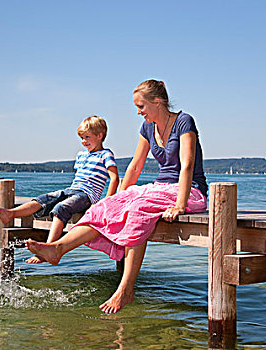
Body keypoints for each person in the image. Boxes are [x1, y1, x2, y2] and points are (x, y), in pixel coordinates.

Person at [26, 79, 208, 314]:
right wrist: (116, 200)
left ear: (158, 102)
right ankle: (57, 248)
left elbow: (187, 164)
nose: (138, 112)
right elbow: (134, 167)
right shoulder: (147, 129)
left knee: (139, 209)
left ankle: (126, 289)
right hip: (159, 188)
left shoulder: (184, 121)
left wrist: (180, 205)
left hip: (189, 190)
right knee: (104, 207)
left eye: (141, 106)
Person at [0, 115, 120, 263]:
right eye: (81, 138)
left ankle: (48, 248)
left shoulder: (105, 154)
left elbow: (114, 178)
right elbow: (78, 177)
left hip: (87, 195)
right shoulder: (81, 155)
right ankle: (10, 214)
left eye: (87, 137)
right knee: (44, 199)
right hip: (72, 189)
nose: (83, 141)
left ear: (99, 135)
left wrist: (106, 202)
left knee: (61, 208)